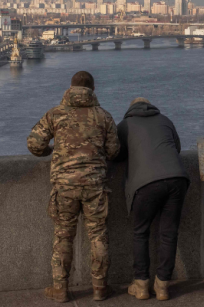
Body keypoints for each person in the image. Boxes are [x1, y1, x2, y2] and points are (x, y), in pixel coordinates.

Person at [28, 71, 120, 303]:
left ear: (70, 88)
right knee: (98, 235)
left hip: (64, 186)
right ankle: (99, 288)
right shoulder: (103, 116)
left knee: (63, 236)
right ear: (93, 89)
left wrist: (52, 150)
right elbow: (113, 151)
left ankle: (60, 289)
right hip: (94, 186)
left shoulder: (55, 114)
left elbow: (35, 144)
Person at [116, 97, 189, 301]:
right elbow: (177, 148)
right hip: (177, 179)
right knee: (169, 233)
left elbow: (116, 155)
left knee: (140, 233)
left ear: (130, 109)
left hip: (146, 183)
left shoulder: (125, 125)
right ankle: (163, 286)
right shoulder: (165, 120)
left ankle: (141, 285)